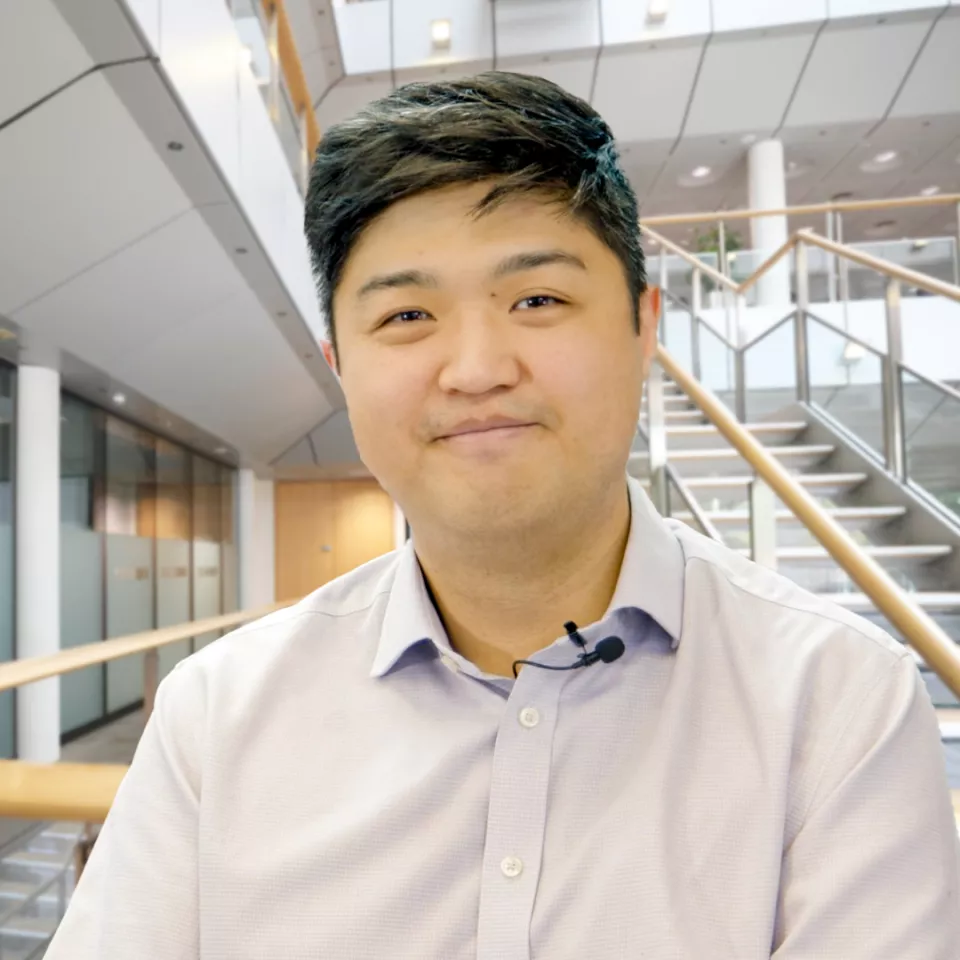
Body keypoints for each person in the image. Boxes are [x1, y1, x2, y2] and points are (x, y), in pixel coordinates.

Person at [48, 71, 958, 959]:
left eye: (537, 300)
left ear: (644, 326)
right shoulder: (217, 715)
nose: (477, 369)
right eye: (407, 315)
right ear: (339, 365)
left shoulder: (836, 701)